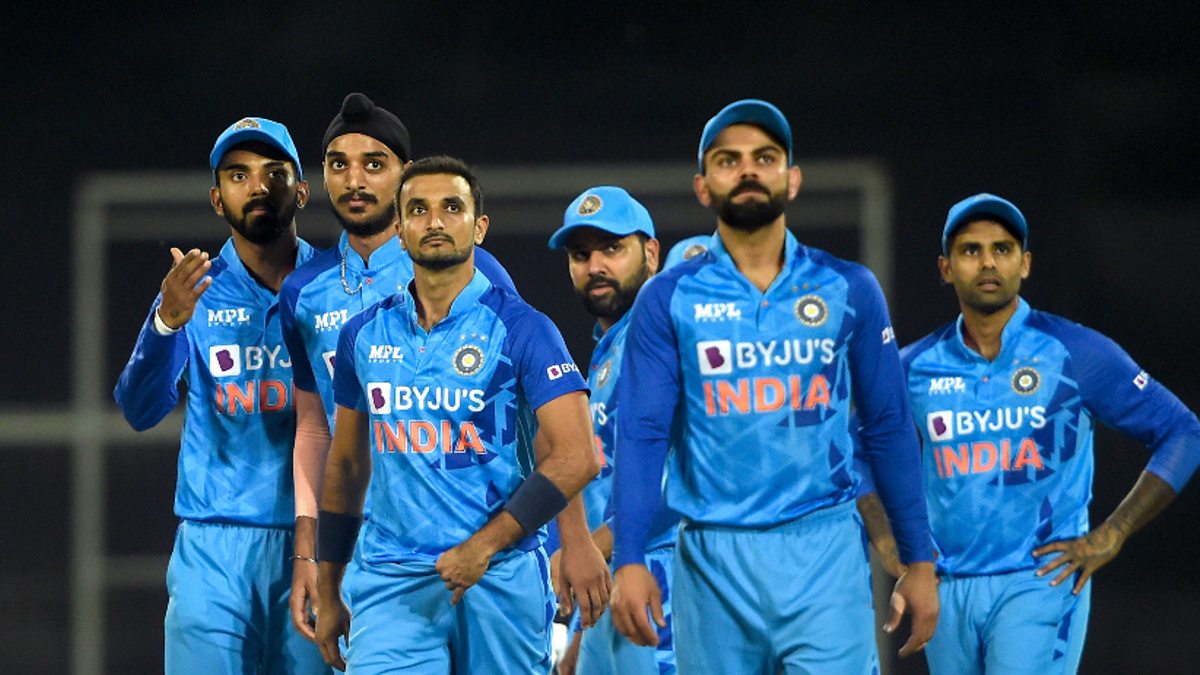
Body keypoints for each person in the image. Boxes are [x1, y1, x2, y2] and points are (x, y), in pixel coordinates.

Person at [609, 99, 939, 673]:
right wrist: (629, 558)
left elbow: (887, 425)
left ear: (792, 178)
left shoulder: (849, 287)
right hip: (712, 560)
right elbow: (641, 433)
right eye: (728, 160)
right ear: (703, 186)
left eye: (764, 158)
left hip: (824, 551)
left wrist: (920, 559)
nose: (748, 171)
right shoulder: (668, 297)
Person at [313, 156, 606, 673]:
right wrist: (328, 585)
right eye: (418, 210)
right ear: (399, 230)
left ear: (479, 226)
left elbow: (578, 456)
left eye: (452, 207)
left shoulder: (524, 329)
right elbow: (347, 466)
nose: (435, 221)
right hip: (392, 580)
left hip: (501, 575)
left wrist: (483, 547)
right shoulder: (362, 334)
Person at [900, 193, 1200, 674]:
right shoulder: (915, 367)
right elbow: (858, 450)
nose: (988, 262)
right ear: (945, 268)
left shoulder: (1075, 352)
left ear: (1025, 264)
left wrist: (1114, 532)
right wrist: (895, 548)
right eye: (971, 250)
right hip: (947, 585)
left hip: (1039, 578)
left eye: (1002, 249)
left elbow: (1183, 432)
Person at [278, 92, 527, 641]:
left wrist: (555, 541)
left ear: (404, 175)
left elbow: (525, 420)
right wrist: (311, 553)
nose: (355, 181)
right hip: (366, 552)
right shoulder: (303, 292)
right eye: (338, 165)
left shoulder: (472, 268)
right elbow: (316, 428)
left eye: (374, 164)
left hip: (475, 540)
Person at [113, 117, 329, 673]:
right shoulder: (194, 289)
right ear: (217, 200)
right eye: (238, 175)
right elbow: (139, 410)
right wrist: (166, 323)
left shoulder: (338, 286)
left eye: (274, 173)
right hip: (214, 550)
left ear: (302, 191)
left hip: (319, 542)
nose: (257, 186)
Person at [546, 186, 679, 674]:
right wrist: (586, 627)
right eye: (581, 255)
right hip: (613, 582)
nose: (595, 266)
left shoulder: (667, 334)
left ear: (651, 253)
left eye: (612, 248)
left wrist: (584, 549)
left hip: (665, 573)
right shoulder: (610, 346)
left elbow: (684, 474)